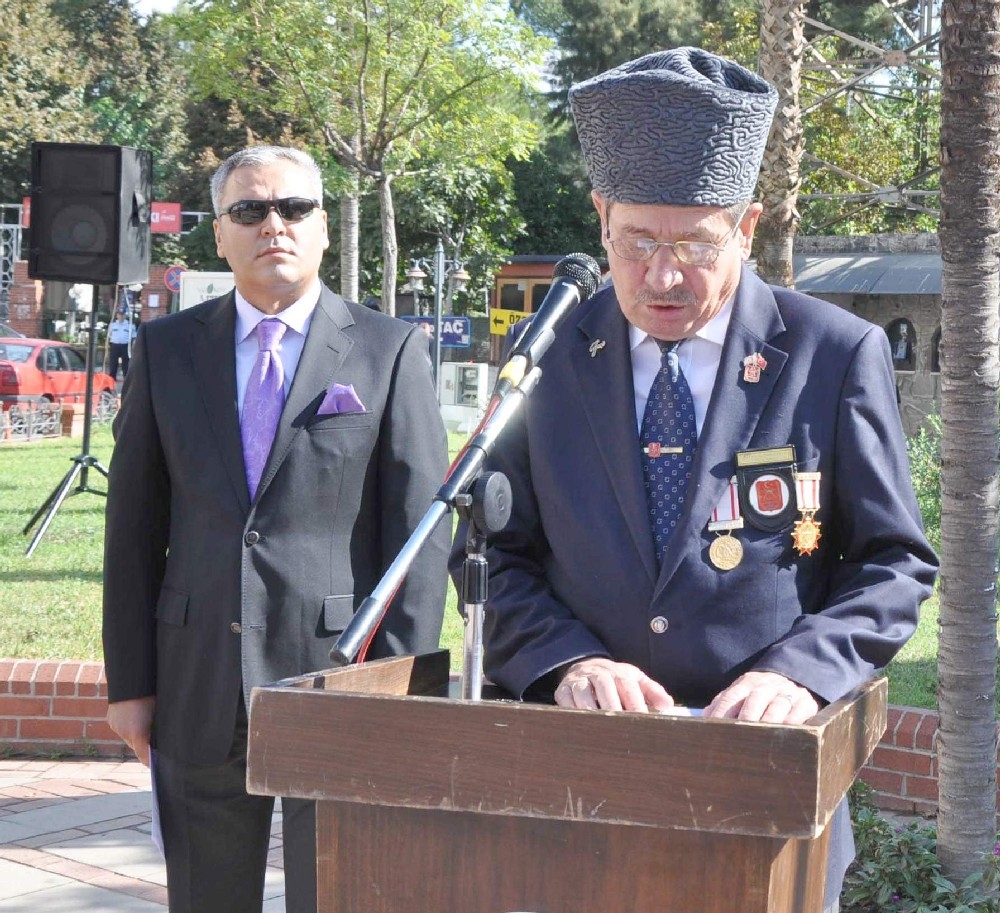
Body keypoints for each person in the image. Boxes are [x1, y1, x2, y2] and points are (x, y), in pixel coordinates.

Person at [453, 49, 938, 912]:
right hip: (579, 773)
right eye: (637, 242)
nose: (664, 276)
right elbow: (493, 552)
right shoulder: (548, 355)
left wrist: (804, 671)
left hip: (762, 767)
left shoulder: (829, 353)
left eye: (695, 244)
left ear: (747, 229)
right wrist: (566, 660)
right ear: (601, 217)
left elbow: (894, 562)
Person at [103, 145, 450, 913]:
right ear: (219, 235)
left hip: (336, 679)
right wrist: (130, 683)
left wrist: (401, 687)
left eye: (294, 208)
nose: (275, 226)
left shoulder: (389, 350)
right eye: (250, 211)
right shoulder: (167, 351)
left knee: (340, 891)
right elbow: (132, 530)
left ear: (323, 227)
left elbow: (419, 541)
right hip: (197, 676)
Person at [106, 307, 135, 380]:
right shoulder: (112, 325)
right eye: (119, 314)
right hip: (114, 346)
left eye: (122, 315)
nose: (121, 316)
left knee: (125, 364)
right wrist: (106, 346)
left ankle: (126, 379)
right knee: (113, 363)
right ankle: (112, 379)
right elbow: (108, 337)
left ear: (125, 315)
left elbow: (134, 337)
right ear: (117, 315)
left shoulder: (130, 325)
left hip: (125, 346)